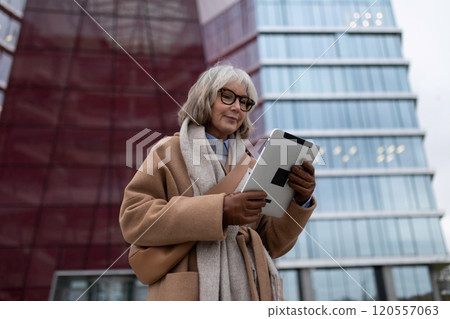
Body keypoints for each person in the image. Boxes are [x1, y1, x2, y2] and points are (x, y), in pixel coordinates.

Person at [119, 64, 316, 301]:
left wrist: (300, 201)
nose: (237, 107)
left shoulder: (252, 163)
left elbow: (272, 244)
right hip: (189, 294)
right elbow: (133, 217)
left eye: (245, 102)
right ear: (205, 97)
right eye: (227, 96)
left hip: (247, 293)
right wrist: (220, 210)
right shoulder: (165, 151)